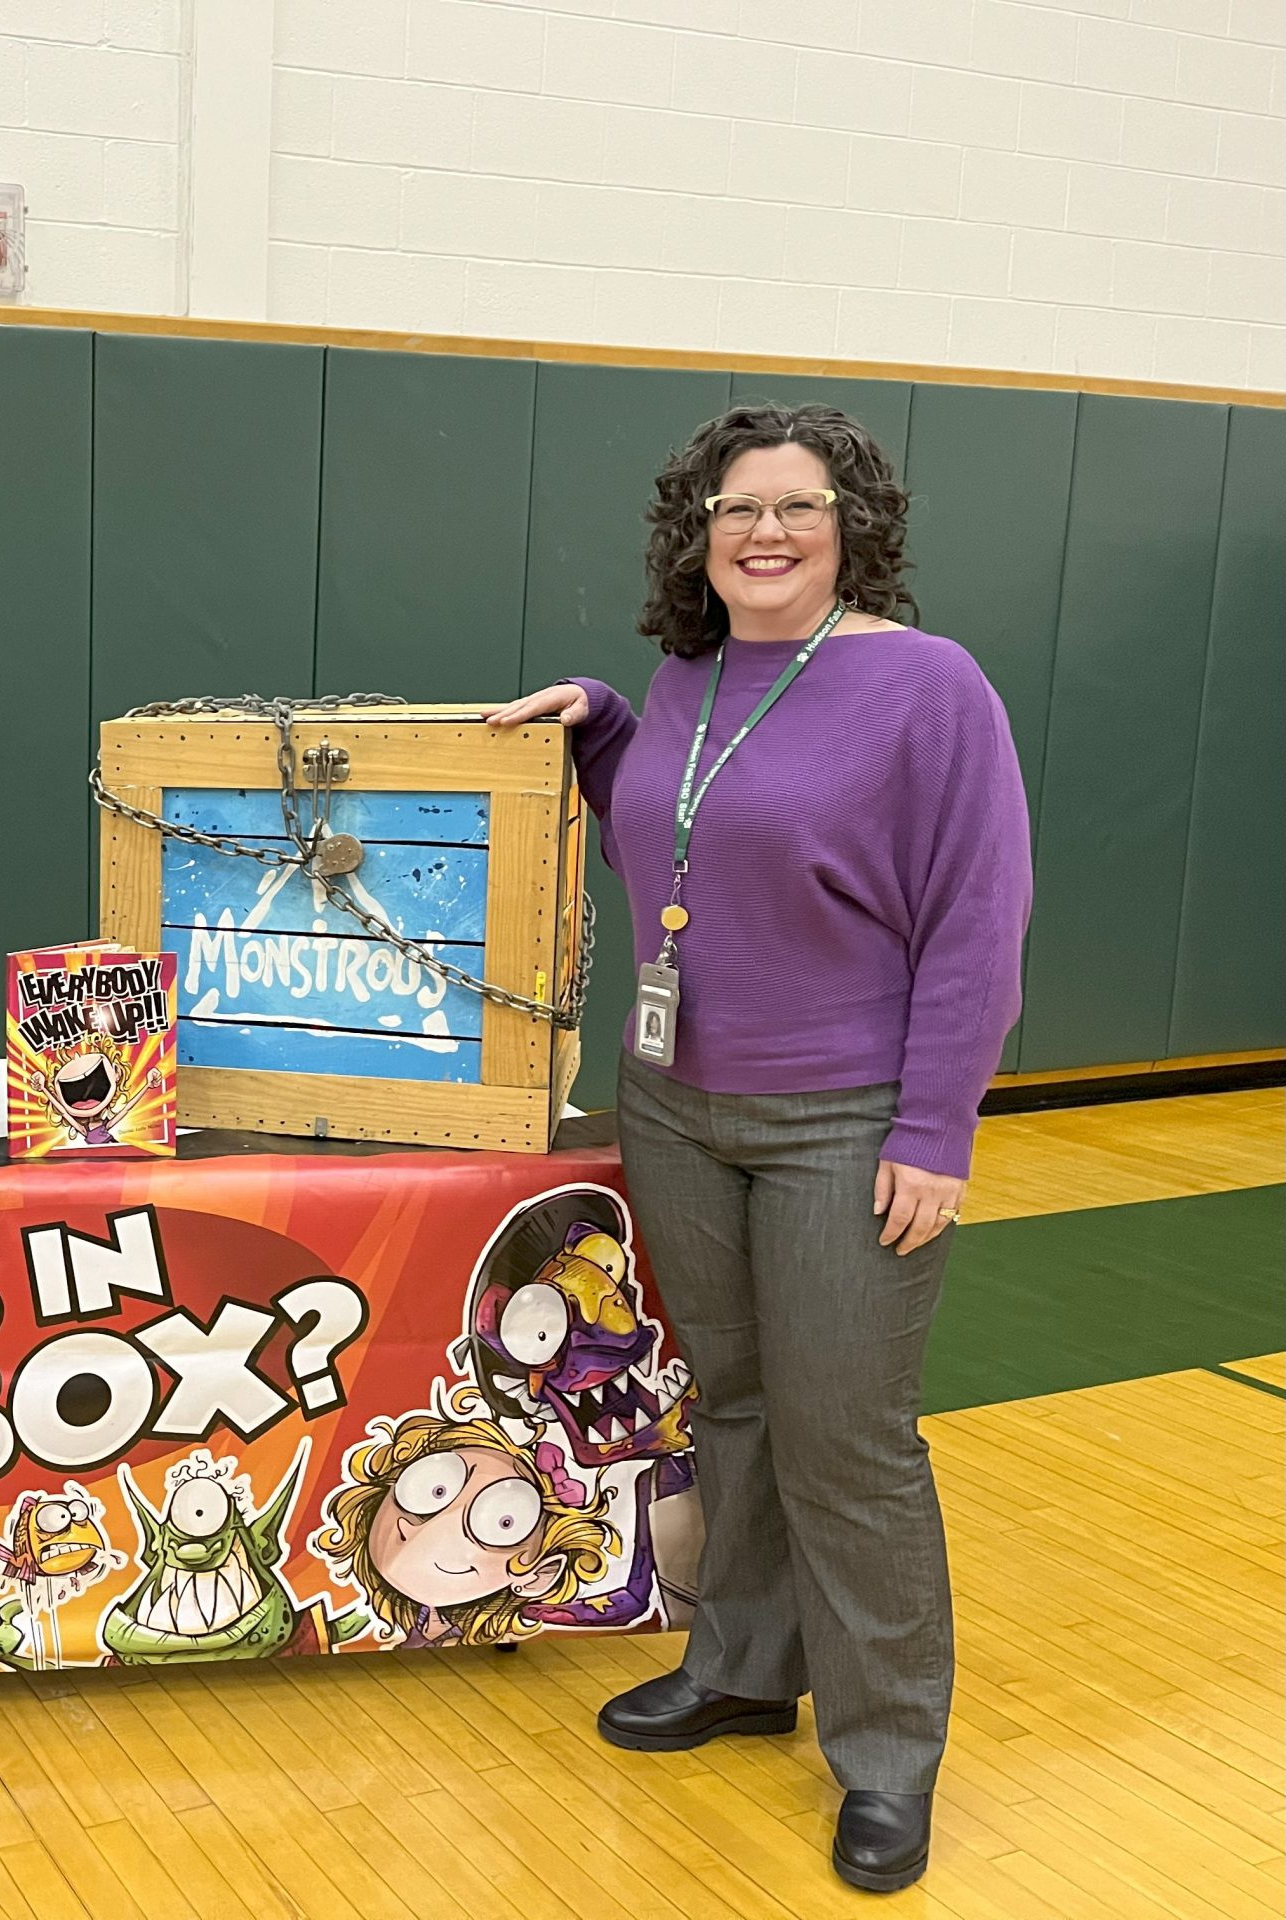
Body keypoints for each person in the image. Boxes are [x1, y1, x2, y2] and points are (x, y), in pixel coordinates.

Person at [488, 403, 1031, 1896]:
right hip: (674, 1106)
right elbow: (667, 839)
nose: (767, 531)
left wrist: (937, 1127)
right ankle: (739, 1668)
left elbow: (978, 923)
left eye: (798, 506)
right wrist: (601, 721)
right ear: (701, 531)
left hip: (844, 1124)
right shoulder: (685, 677)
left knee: (848, 1443)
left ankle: (887, 1757)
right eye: (738, 509)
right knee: (730, 1404)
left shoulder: (930, 688)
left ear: (851, 527)